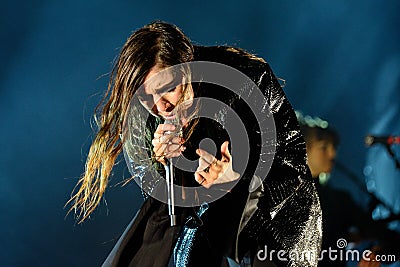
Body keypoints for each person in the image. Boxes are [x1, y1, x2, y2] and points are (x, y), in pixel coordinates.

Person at [68, 21, 322, 266]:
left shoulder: (247, 80)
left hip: (274, 228)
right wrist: (164, 164)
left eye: (168, 88)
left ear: (185, 66)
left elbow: (289, 171)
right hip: (207, 226)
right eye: (147, 97)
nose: (160, 105)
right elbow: (168, 204)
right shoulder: (149, 114)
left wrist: (236, 180)